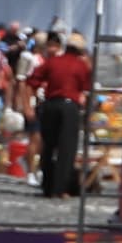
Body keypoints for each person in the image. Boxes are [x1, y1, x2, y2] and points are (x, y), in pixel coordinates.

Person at [30, 32, 91, 198]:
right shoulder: (80, 65)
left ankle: (47, 186)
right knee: (67, 148)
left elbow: (34, 79)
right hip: (70, 106)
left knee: (49, 146)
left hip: (51, 104)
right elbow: (86, 87)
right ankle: (61, 188)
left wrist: (38, 94)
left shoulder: (53, 61)